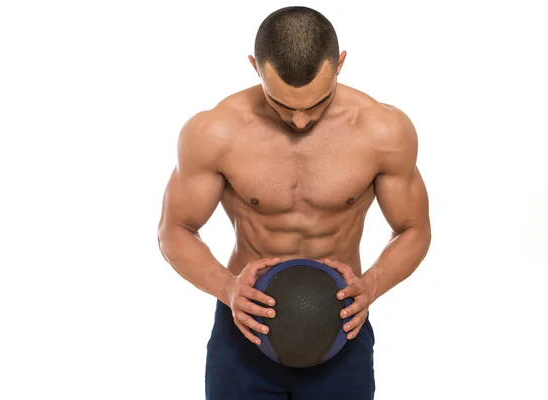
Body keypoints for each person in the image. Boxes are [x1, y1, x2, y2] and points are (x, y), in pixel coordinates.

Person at [157, 6, 431, 400]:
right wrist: (229, 289)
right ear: (255, 67)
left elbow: (414, 228)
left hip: (341, 328)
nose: (300, 122)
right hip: (244, 330)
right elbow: (174, 229)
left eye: (316, 103)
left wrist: (370, 285)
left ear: (340, 64)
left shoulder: (383, 131)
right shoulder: (215, 132)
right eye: (282, 104)